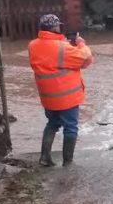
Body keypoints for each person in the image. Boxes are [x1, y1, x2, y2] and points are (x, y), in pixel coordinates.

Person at [28, 14, 94, 167]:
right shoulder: (63, 48)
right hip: (66, 98)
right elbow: (86, 59)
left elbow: (49, 58)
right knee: (70, 127)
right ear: (54, 28)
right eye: (58, 26)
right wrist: (80, 43)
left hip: (48, 97)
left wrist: (64, 44)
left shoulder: (32, 45)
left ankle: (44, 157)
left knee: (52, 123)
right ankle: (68, 163)